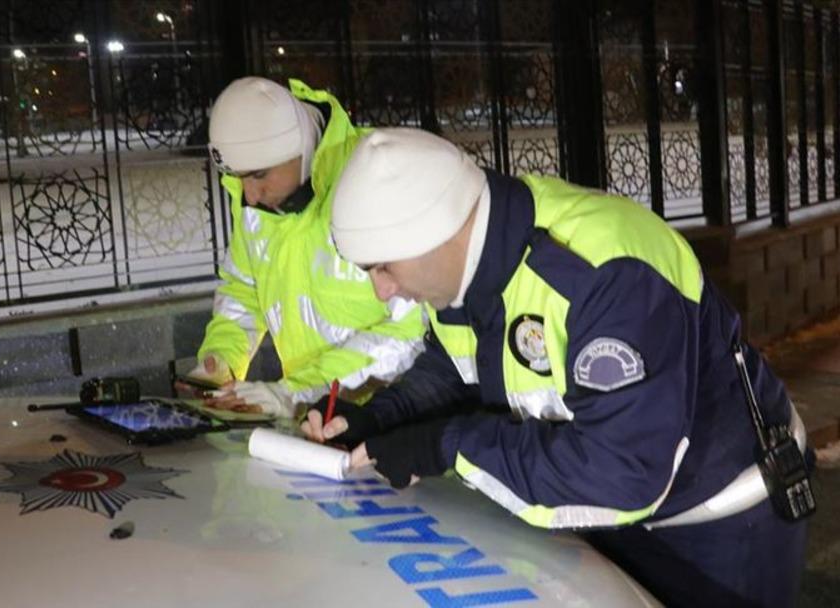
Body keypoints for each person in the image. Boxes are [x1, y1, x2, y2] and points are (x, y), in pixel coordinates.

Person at [302, 127, 811, 606]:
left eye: (384, 266)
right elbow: (454, 369)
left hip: (719, 518)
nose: (381, 290)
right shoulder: (464, 259)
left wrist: (447, 446)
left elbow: (621, 470)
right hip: (610, 510)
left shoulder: (603, 274)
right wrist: (383, 419)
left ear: (434, 230)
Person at [180, 78, 426, 417]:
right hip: (313, 417)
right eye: (238, 177)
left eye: (258, 175)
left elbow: (411, 331)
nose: (249, 195)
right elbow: (244, 290)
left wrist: (299, 391)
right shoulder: (258, 205)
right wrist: (221, 360)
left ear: (300, 147)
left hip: (397, 420)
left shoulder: (376, 175)